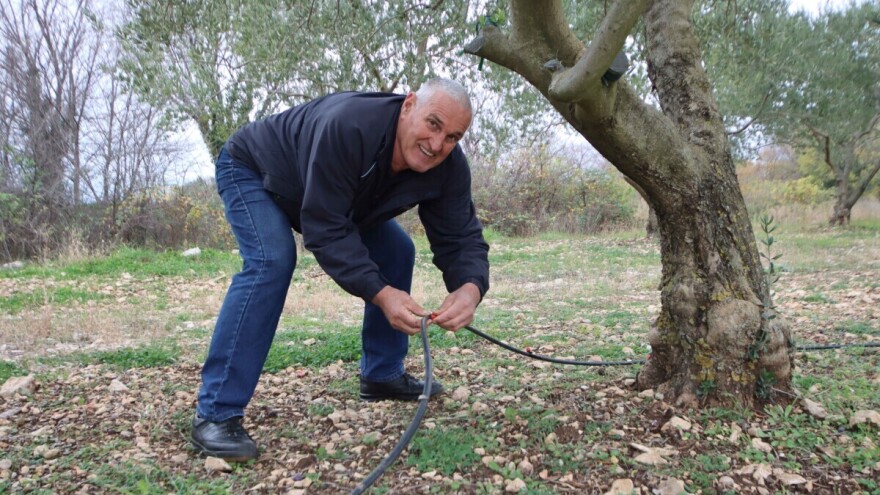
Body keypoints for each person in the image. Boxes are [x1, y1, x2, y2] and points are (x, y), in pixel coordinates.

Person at [191, 78, 490, 461]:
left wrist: (470, 288)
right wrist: (382, 295)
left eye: (453, 137)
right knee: (272, 260)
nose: (438, 146)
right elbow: (325, 228)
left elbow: (461, 236)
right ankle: (215, 412)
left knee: (396, 250)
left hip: (330, 196)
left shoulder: (447, 167)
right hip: (255, 169)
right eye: (433, 124)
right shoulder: (349, 126)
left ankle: (382, 375)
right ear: (409, 105)